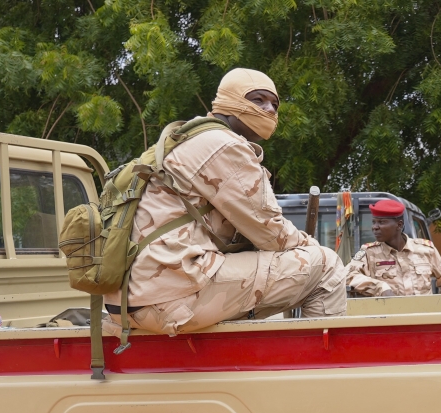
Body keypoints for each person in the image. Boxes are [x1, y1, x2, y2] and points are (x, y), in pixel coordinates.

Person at [106, 68, 346, 336]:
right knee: (326, 264)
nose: (270, 110)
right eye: (258, 100)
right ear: (230, 100)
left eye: (274, 104)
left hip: (130, 301)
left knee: (254, 261)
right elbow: (272, 235)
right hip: (173, 296)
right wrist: (309, 245)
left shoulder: (187, 138)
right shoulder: (223, 145)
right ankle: (320, 370)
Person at [347, 199, 441, 296]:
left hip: (422, 316)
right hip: (389, 316)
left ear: (399, 225)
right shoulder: (369, 253)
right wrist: (380, 287)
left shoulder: (425, 250)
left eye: (381, 222)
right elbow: (347, 276)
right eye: (374, 222)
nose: (375, 227)